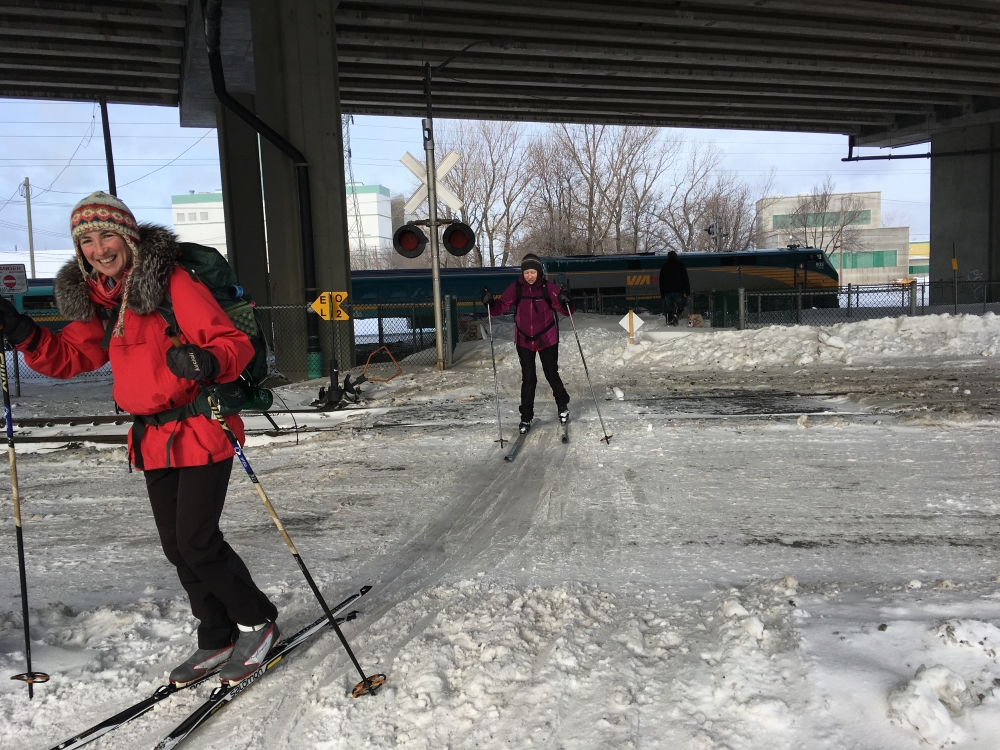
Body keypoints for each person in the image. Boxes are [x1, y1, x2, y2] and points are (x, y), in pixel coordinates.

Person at [0, 192, 279, 687]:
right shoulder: (102, 297)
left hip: (200, 425)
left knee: (197, 541)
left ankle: (256, 622)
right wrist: (21, 330)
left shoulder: (172, 283)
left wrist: (208, 362)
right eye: (86, 239)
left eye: (107, 234)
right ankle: (215, 635)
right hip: (152, 437)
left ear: (128, 236)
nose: (99, 248)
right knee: (177, 547)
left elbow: (230, 342)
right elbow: (72, 357)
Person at [482, 253, 573, 434]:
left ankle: (562, 405)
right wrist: (490, 303)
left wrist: (567, 300)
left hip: (547, 338)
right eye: (526, 272)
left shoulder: (549, 288)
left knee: (551, 374)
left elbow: (565, 311)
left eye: (533, 272)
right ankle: (526, 417)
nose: (529, 276)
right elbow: (500, 307)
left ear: (539, 272)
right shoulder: (516, 289)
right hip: (523, 339)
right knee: (528, 379)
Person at [658, 250, 691, 326]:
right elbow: (685, 279)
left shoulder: (664, 267)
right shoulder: (680, 265)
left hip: (667, 291)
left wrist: (662, 293)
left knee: (668, 308)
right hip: (678, 290)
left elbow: (661, 281)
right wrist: (687, 291)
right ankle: (676, 315)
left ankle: (669, 322)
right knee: (680, 305)